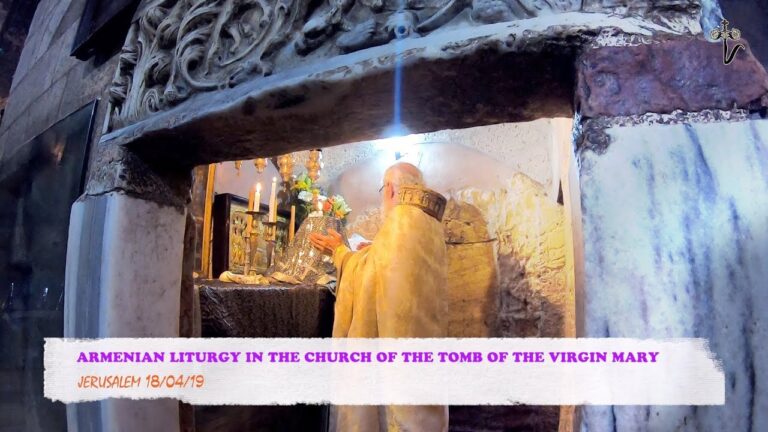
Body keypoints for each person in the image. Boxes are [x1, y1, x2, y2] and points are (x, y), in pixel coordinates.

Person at [310, 162, 449, 432]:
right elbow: (396, 275)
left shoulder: (401, 222)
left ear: (390, 189)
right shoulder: (428, 223)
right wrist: (373, 250)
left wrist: (339, 251)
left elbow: (369, 278)